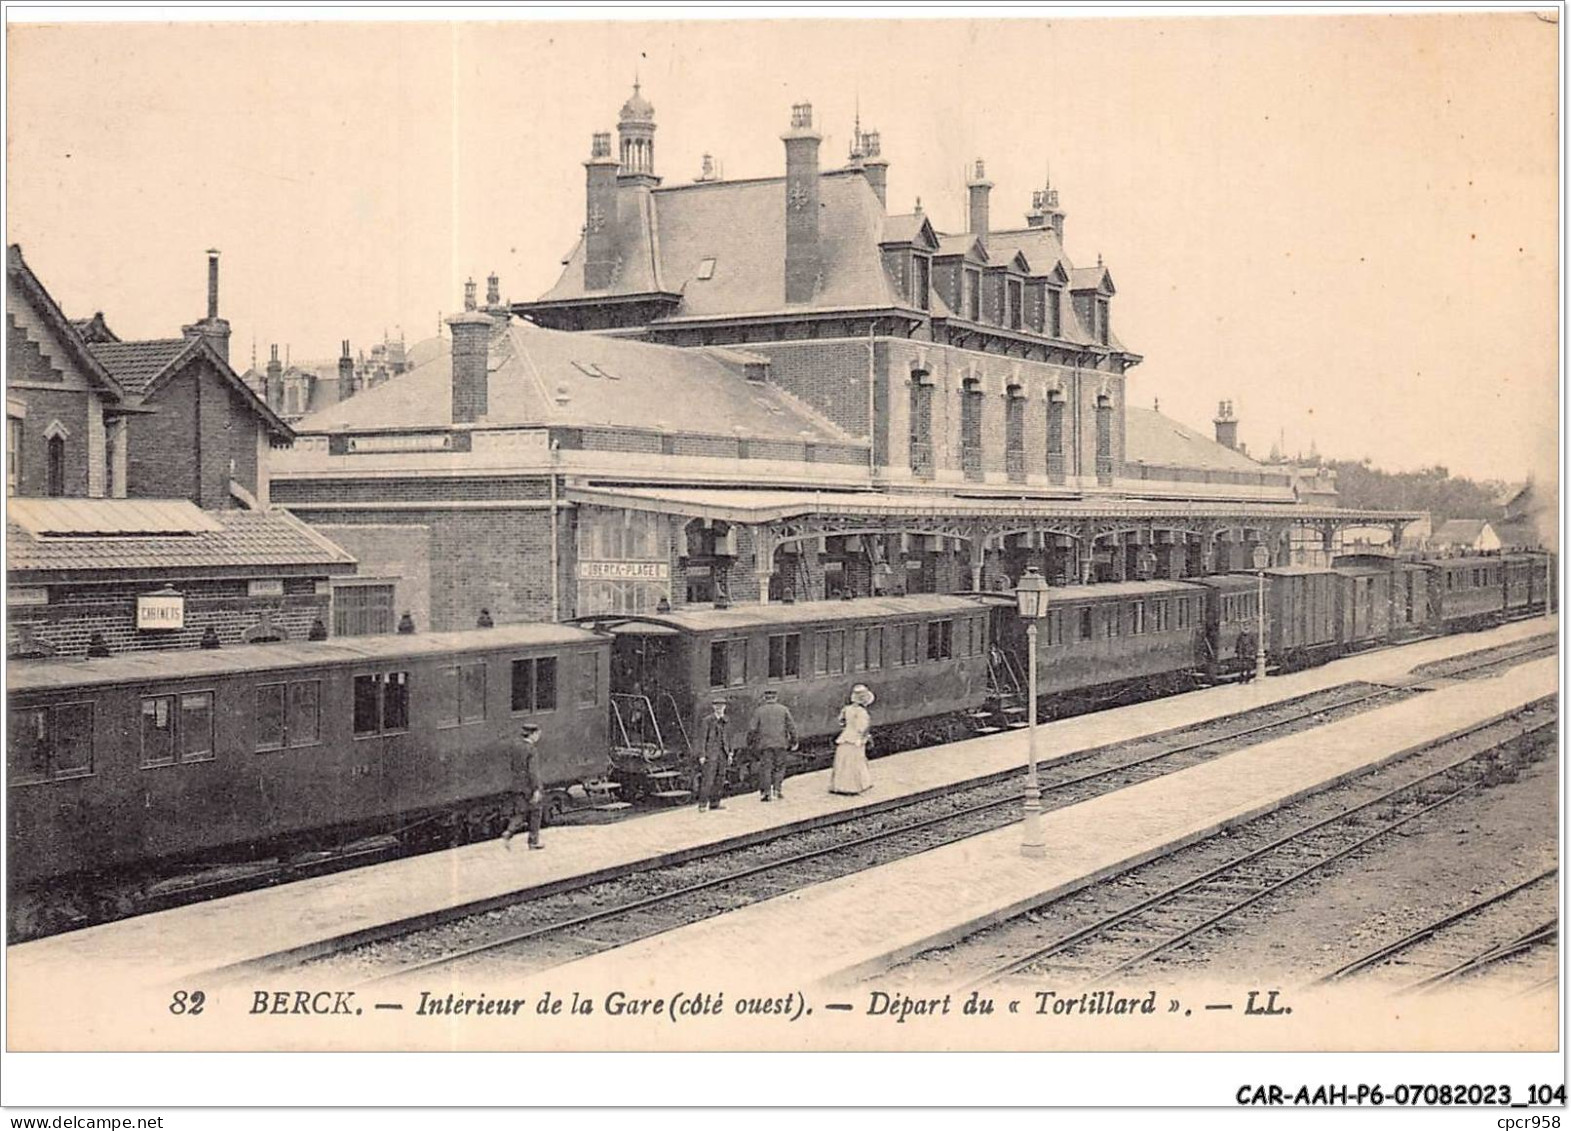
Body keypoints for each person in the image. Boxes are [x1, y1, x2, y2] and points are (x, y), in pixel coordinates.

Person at [747, 689, 799, 802]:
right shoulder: (783, 709)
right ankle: (777, 790)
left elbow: (752, 729)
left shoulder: (759, 711)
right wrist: (794, 741)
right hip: (781, 744)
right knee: (779, 768)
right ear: (776, 698)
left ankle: (766, 793)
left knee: (766, 769)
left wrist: (750, 743)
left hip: (765, 745)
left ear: (765, 699)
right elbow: (791, 727)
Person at [501, 723, 545, 850]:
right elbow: (533, 771)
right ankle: (533, 842)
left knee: (520, 812)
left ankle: (508, 832)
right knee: (536, 812)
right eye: (537, 734)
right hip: (529, 787)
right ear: (532, 734)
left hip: (517, 785)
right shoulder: (531, 749)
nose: (538, 737)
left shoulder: (516, 747)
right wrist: (536, 789)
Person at [829, 684, 875, 796]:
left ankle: (839, 786)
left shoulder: (847, 709)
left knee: (843, 762)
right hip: (856, 739)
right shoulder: (862, 712)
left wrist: (847, 729)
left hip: (845, 737)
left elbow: (841, 722)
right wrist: (867, 738)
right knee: (857, 761)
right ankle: (856, 786)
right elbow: (862, 728)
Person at [696, 697, 732, 811]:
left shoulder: (726, 720)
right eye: (717, 707)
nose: (719, 709)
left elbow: (728, 737)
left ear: (725, 707)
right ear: (713, 707)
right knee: (708, 779)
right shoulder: (707, 720)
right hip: (711, 754)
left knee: (720, 779)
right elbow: (702, 739)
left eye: (721, 706)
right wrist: (702, 755)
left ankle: (715, 803)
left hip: (723, 753)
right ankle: (702, 804)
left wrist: (730, 753)